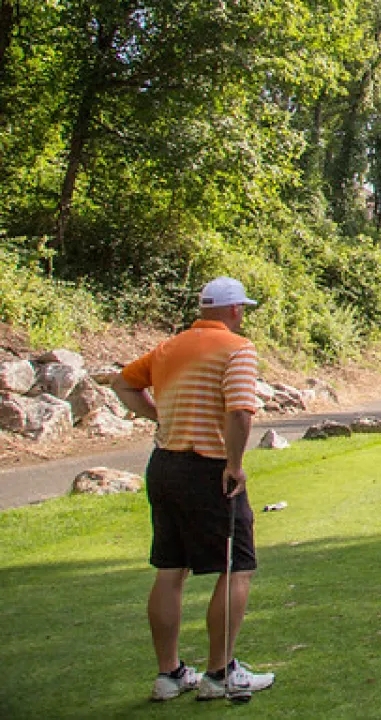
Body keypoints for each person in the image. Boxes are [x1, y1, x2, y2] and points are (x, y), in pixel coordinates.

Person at [111, 276, 277, 701]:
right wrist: (235, 467)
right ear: (236, 310)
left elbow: (124, 384)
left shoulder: (169, 347)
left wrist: (157, 418)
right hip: (209, 466)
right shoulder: (237, 348)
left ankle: (169, 675)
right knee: (236, 566)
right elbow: (240, 412)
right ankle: (220, 674)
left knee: (171, 568)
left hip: (164, 464)